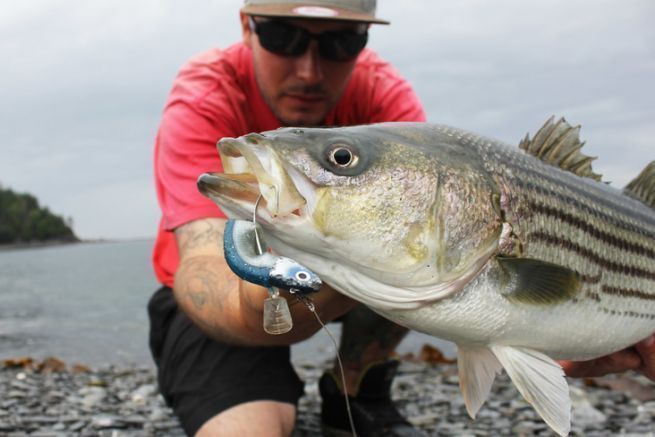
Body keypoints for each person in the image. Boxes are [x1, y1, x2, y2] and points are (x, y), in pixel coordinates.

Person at [148, 1, 655, 436]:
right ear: (247, 26)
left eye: (343, 42)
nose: (308, 68)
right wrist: (271, 287)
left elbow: (431, 239)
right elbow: (198, 270)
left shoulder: (385, 99)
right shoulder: (205, 94)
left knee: (409, 266)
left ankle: (354, 388)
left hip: (384, 276)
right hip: (232, 298)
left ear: (365, 40)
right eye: (282, 36)